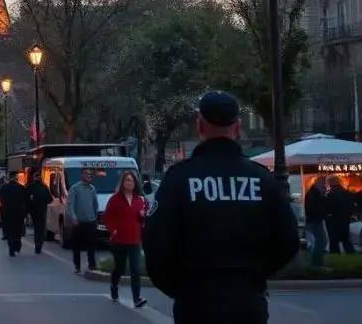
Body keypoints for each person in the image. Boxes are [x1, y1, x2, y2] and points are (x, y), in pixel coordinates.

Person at [143, 90, 299, 324]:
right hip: (247, 303)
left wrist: (182, 290)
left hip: (196, 304)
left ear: (200, 127)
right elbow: (288, 241)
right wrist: (253, 278)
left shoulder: (179, 179)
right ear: (237, 128)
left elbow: (155, 246)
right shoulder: (261, 179)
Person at [105, 170, 148, 308]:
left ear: (135, 183)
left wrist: (142, 215)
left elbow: (142, 220)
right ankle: (114, 287)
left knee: (135, 270)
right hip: (119, 240)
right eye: (127, 180)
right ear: (122, 183)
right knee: (120, 269)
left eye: (131, 181)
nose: (129, 183)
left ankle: (137, 298)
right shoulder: (115, 199)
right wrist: (113, 230)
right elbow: (108, 217)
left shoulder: (139, 200)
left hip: (135, 240)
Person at [67, 168, 99, 273]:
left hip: (90, 221)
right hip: (78, 222)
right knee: (76, 245)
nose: (89, 176)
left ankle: (92, 265)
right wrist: (74, 218)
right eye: (87, 174)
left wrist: (95, 216)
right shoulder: (75, 188)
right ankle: (77, 265)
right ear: (82, 175)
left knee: (91, 245)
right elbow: (70, 205)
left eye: (90, 174)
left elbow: (95, 204)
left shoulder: (92, 188)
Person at [0, 170, 28, 256]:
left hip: (7, 213)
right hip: (18, 213)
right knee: (17, 230)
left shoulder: (3, 188)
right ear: (15, 177)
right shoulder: (21, 188)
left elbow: (0, 199)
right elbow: (26, 200)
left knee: (10, 231)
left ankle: (11, 248)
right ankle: (17, 245)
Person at [325, 175, 356, 254]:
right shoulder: (346, 193)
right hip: (345, 220)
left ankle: (336, 256)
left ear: (331, 182)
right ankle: (351, 255)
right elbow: (352, 207)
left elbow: (328, 208)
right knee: (346, 240)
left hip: (334, 221)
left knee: (334, 241)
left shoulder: (331, 194)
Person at [304, 177, 328, 267]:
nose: (324, 186)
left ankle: (316, 262)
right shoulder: (314, 194)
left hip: (314, 219)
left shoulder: (313, 193)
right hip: (315, 220)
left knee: (320, 240)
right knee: (321, 240)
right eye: (323, 184)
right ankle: (316, 262)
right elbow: (312, 208)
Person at [27, 171, 52, 254]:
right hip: (42, 211)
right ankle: (39, 245)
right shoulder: (44, 187)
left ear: (34, 178)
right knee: (41, 229)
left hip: (33, 211)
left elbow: (26, 199)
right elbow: (50, 199)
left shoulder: (30, 187)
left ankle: (37, 244)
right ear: (40, 178)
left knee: (36, 228)